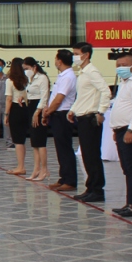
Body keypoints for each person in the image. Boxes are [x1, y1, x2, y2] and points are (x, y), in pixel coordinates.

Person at [68, 41, 109, 204]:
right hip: (82, 116)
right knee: (86, 154)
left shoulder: (92, 72)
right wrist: (73, 110)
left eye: (77, 53)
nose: (74, 56)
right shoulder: (83, 73)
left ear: (86, 55)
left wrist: (101, 111)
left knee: (92, 155)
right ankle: (90, 187)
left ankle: (98, 189)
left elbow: (105, 91)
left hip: (91, 117)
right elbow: (83, 96)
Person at [108, 51, 132, 218]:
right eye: (118, 66)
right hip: (121, 129)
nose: (121, 68)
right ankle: (130, 202)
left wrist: (131, 129)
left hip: (131, 130)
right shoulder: (124, 82)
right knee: (127, 168)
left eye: (124, 65)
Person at [44, 49, 78, 193]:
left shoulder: (68, 76)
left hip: (63, 114)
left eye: (56, 59)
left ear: (60, 61)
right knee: (60, 148)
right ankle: (63, 177)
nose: (55, 62)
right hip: (56, 114)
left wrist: (48, 111)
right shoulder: (62, 75)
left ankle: (70, 180)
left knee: (65, 148)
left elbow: (59, 99)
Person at [23, 57, 51, 182]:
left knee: (40, 141)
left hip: (38, 109)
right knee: (34, 142)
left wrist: (38, 112)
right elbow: (30, 93)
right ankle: (36, 168)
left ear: (34, 67)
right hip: (30, 106)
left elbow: (44, 96)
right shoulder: (30, 79)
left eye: (27, 68)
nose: (26, 71)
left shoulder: (42, 78)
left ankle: (44, 169)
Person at [3, 58, 31, 176]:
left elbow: (9, 99)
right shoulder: (26, 79)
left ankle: (21, 166)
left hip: (15, 108)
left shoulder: (10, 81)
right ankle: (21, 164)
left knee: (18, 140)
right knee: (22, 139)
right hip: (25, 108)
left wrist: (6, 114)